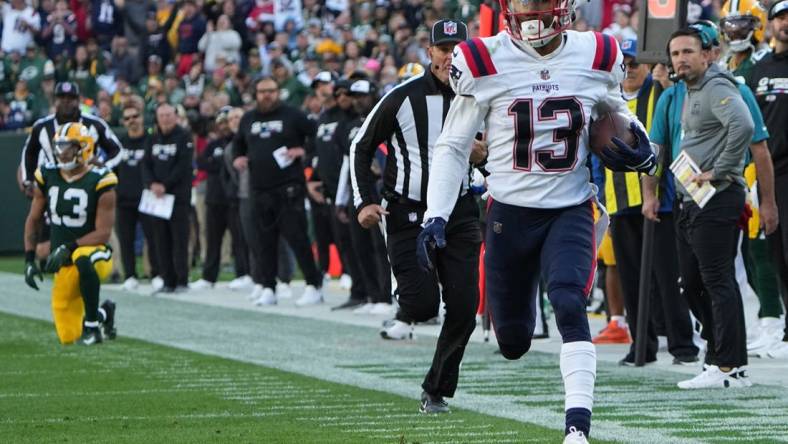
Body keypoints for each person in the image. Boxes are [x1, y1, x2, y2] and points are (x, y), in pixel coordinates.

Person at [420, 3, 657, 442]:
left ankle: (577, 429)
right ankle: (521, 311)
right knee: (512, 341)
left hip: (570, 207)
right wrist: (436, 213)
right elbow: (453, 146)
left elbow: (615, 112)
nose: (529, 9)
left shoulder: (596, 52)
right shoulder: (481, 58)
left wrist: (640, 142)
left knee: (570, 303)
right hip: (509, 213)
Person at [349, 19, 487, 414]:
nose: (450, 56)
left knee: (464, 307)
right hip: (409, 212)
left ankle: (437, 389)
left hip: (459, 210)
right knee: (423, 305)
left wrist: (486, 156)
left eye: (457, 49)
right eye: (443, 49)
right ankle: (406, 298)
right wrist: (363, 202)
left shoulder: (481, 95)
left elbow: (499, 149)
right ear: (429, 53)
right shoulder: (402, 97)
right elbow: (361, 145)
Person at [592, 39, 699, 365]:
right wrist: (598, 197)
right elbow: (596, 155)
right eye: (625, 61)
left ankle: (684, 346)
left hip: (660, 202)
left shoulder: (662, 93)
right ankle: (643, 346)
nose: (631, 67)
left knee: (668, 277)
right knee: (632, 278)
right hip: (620, 201)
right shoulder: (607, 103)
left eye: (636, 61)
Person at [664, 27, 754, 389]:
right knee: (694, 283)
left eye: (688, 51)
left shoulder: (716, 85)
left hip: (717, 196)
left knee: (715, 281)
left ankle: (727, 364)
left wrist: (722, 170)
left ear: (707, 55)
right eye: (675, 53)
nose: (681, 59)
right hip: (694, 198)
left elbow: (744, 125)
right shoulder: (690, 89)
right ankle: (723, 357)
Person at [232, 76, 323, 306]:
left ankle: (314, 284)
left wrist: (303, 151)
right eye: (262, 91)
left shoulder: (292, 115)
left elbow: (317, 134)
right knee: (264, 242)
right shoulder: (248, 118)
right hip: (259, 189)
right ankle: (268, 287)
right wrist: (238, 157)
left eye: (271, 91)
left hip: (289, 188)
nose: (267, 95)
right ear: (256, 94)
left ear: (278, 92)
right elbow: (238, 144)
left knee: (298, 238)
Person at [23, 122, 117, 345]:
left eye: (68, 147)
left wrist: (68, 247)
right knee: (68, 336)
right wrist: (29, 259)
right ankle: (104, 313)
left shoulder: (101, 179)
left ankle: (93, 329)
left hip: (97, 254)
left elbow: (103, 233)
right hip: (64, 262)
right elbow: (34, 219)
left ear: (83, 148)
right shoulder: (47, 175)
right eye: (58, 147)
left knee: (82, 257)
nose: (61, 153)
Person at [748, 0, 788, 358]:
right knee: (775, 255)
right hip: (768, 173)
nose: (787, 23)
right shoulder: (758, 69)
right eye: (782, 17)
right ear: (770, 23)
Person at [335, 79, 393, 316]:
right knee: (361, 245)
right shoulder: (349, 125)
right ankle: (372, 294)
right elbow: (346, 163)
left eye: (363, 96)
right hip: (358, 189)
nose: (359, 100)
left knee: (381, 245)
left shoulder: (385, 117)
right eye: (355, 96)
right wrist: (341, 197)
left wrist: (386, 169)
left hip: (380, 187)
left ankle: (386, 296)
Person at [20, 82, 123, 198]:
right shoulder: (41, 127)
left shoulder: (95, 124)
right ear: (55, 101)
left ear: (78, 101)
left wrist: (104, 167)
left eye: (71, 97)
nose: (66, 101)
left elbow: (117, 150)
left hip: (88, 188)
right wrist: (28, 180)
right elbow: (29, 153)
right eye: (62, 97)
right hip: (52, 188)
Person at [190, 107, 250, 290]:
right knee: (212, 238)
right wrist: (217, 163)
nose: (224, 126)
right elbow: (201, 162)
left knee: (239, 239)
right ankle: (209, 277)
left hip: (234, 198)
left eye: (228, 121)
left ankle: (244, 273)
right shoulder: (215, 144)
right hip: (214, 198)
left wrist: (215, 164)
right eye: (222, 122)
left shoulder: (241, 143)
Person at [142, 103, 194, 294]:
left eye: (169, 114)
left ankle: (181, 280)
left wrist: (165, 185)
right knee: (160, 240)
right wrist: (152, 184)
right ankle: (167, 280)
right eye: (161, 115)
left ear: (175, 116)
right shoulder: (152, 138)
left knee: (179, 239)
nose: (165, 118)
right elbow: (145, 164)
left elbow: (183, 166)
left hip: (177, 197)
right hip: (157, 199)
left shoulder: (184, 136)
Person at [115, 99, 160, 292]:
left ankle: (157, 274)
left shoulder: (152, 141)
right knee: (126, 239)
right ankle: (130, 275)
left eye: (135, 116)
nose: (132, 120)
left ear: (142, 117)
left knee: (154, 238)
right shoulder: (119, 144)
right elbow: (112, 171)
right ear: (123, 122)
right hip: (124, 199)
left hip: (148, 198)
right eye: (128, 118)